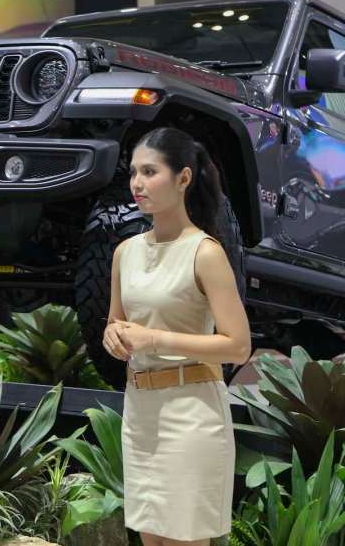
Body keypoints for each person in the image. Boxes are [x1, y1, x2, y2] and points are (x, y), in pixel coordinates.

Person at [103, 127, 252, 546]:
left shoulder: (205, 252)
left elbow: (238, 345)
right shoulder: (124, 253)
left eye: (150, 172)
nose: (137, 183)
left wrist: (154, 339)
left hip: (191, 414)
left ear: (183, 177)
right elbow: (115, 324)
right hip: (141, 413)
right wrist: (113, 337)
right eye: (134, 173)